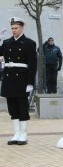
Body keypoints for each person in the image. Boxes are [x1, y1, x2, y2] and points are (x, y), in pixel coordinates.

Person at [0, 17, 37, 145]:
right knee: (12, 108)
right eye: (12, 28)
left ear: (22, 27)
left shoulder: (29, 43)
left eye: (16, 28)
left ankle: (23, 133)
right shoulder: (7, 43)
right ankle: (16, 133)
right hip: (9, 78)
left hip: (22, 79)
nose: (14, 31)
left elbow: (33, 65)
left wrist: (30, 83)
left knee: (22, 107)